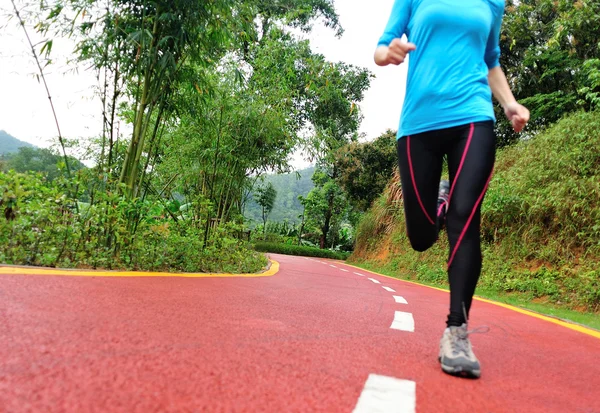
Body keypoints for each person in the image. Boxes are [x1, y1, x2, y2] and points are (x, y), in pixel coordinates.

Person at [374, 0, 530, 378]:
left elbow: (490, 59)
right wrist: (388, 53)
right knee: (421, 237)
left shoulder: (492, 3)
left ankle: (456, 331)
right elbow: (382, 46)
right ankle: (438, 204)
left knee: (465, 217)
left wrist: (509, 104)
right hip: (419, 123)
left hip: (473, 117)